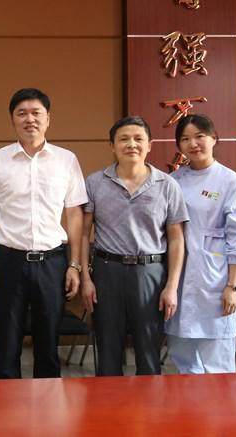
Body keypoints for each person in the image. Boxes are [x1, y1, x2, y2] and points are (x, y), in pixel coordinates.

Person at [0, 88, 87, 379]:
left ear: (48, 118)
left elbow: (75, 215)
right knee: (7, 343)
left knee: (48, 344)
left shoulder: (66, 160)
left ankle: (48, 404)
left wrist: (74, 264)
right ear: (12, 119)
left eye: (36, 113)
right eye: (21, 113)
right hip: (8, 261)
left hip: (53, 261)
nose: (30, 119)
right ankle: (6, 403)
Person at [80, 116, 188, 376]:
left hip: (150, 272)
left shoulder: (167, 185)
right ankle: (109, 401)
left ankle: (150, 402)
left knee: (149, 351)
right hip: (107, 270)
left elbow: (176, 238)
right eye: (124, 139)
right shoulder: (94, 182)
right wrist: (86, 278)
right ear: (112, 145)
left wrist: (171, 287)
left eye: (138, 139)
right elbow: (83, 234)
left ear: (149, 145)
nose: (131, 144)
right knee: (107, 349)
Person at [166, 114, 236, 373]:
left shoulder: (231, 182)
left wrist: (233, 286)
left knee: (218, 365)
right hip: (179, 276)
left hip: (215, 277)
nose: (193, 144)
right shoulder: (174, 181)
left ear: (214, 138)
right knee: (182, 358)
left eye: (200, 136)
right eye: (185, 139)